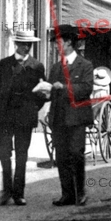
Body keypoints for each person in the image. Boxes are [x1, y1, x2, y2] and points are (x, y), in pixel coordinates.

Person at [42, 25, 94, 206]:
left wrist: (63, 88)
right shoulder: (56, 67)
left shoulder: (85, 65)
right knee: (61, 156)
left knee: (76, 154)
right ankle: (67, 194)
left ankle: (80, 193)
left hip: (77, 118)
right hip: (58, 118)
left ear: (69, 42)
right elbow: (49, 89)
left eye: (58, 42)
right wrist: (44, 91)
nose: (56, 46)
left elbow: (86, 88)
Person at [0, 30, 46, 206]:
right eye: (24, 44)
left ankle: (18, 193)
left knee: (21, 155)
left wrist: (31, 108)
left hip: (25, 115)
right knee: (3, 153)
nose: (27, 47)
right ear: (16, 44)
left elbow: (41, 93)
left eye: (29, 44)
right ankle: (6, 190)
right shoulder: (4, 64)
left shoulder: (37, 66)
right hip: (6, 115)